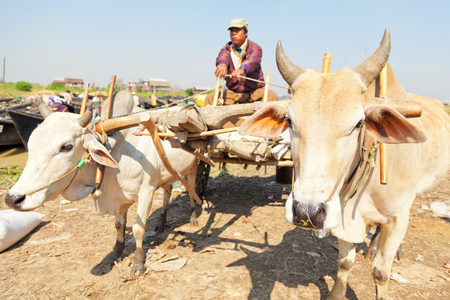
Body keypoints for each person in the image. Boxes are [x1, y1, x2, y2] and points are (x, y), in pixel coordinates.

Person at [205, 18, 277, 106]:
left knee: (271, 95)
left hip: (254, 93)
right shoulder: (226, 49)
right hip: (233, 94)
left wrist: (241, 70)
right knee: (210, 98)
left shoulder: (255, 48)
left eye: (237, 30)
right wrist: (222, 65)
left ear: (246, 33)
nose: (234, 33)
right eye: (232, 31)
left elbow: (252, 61)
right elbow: (222, 57)